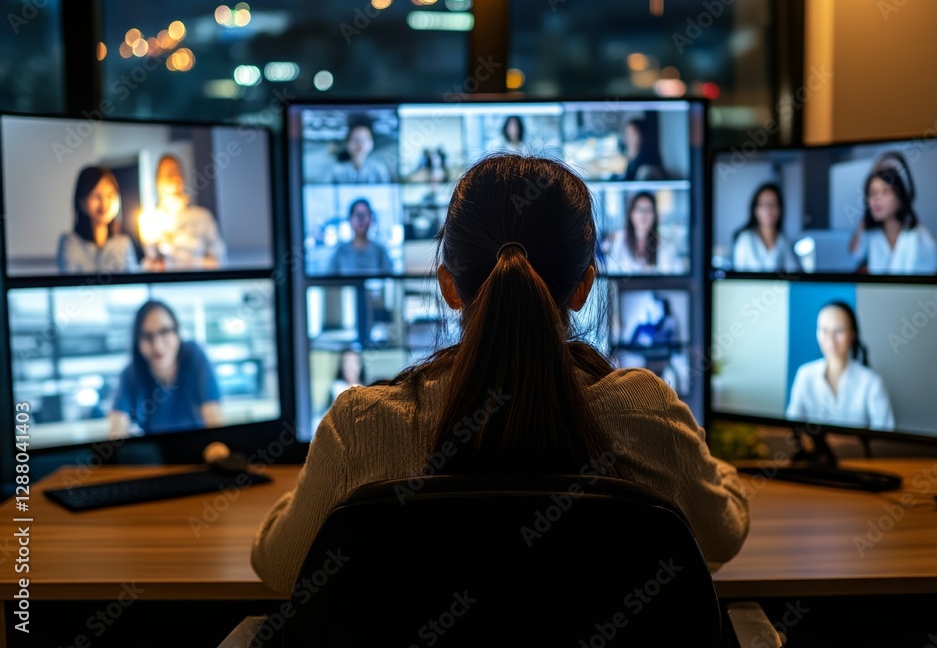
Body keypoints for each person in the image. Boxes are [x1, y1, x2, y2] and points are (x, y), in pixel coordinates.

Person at [251, 155, 749, 595]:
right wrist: (710, 465)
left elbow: (279, 565)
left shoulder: (359, 425)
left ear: (449, 285)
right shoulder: (646, 412)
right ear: (583, 288)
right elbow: (723, 535)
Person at [109, 300, 222, 438]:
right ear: (137, 342)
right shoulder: (129, 374)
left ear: (177, 333)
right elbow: (117, 426)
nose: (157, 346)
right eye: (147, 336)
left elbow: (213, 418)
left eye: (165, 331)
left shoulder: (194, 356)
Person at [786, 301, 894, 430]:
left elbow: (886, 435)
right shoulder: (805, 375)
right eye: (824, 330)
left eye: (839, 331)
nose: (830, 339)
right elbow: (791, 428)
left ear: (852, 334)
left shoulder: (871, 382)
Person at [849, 152, 937, 274]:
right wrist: (865, 217)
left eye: (885, 192)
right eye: (872, 193)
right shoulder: (873, 235)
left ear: (900, 196)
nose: (876, 199)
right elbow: (855, 254)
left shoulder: (921, 238)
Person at [141, 154, 227, 270]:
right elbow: (147, 263)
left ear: (182, 177)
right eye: (165, 174)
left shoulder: (202, 217)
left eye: (174, 172)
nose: (171, 178)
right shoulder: (150, 221)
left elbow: (220, 260)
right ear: (157, 181)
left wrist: (189, 263)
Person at [57, 166, 138, 274]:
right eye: (96, 195)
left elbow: (133, 284)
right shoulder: (69, 242)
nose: (104, 203)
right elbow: (69, 285)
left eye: (110, 195)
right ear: (81, 201)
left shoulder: (123, 243)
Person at [604, 191, 683, 273]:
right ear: (631, 214)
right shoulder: (618, 240)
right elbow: (611, 270)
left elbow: (676, 271)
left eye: (648, 210)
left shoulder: (664, 245)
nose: (643, 215)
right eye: (639, 209)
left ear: (654, 215)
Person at [731, 183, 800, 272]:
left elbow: (795, 273)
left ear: (780, 209)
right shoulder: (745, 239)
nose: (768, 209)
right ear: (755, 209)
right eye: (763, 204)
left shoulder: (783, 240)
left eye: (773, 204)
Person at [328, 198, 393, 275]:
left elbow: (389, 281)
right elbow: (330, 284)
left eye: (364, 215)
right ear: (350, 219)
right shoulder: (340, 252)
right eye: (357, 215)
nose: (361, 220)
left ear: (371, 219)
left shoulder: (380, 251)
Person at [328, 120, 393, 184]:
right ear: (347, 143)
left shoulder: (379, 170)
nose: (360, 144)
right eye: (355, 139)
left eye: (364, 139)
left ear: (371, 143)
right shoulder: (338, 171)